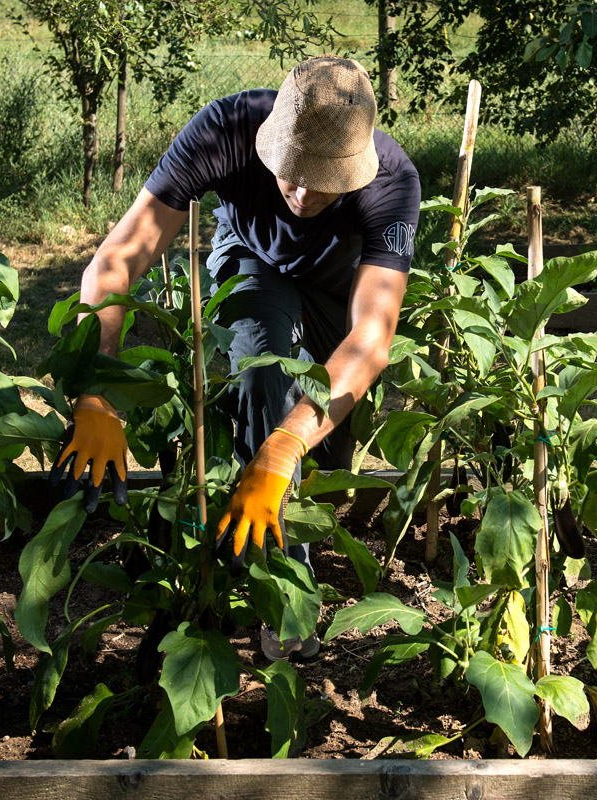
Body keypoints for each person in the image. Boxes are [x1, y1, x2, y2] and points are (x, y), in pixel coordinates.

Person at [48, 56, 421, 660]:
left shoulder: (392, 182)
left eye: (321, 179)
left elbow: (372, 336)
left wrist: (285, 446)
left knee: (317, 447)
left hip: (337, 287)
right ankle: (280, 602)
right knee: (260, 371)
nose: (300, 193)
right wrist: (98, 387)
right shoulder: (224, 130)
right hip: (253, 263)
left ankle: (273, 502)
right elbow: (116, 262)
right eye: (289, 172)